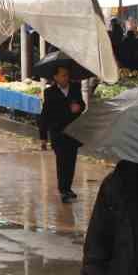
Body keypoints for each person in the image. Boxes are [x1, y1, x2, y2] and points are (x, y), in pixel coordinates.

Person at [39, 66, 85, 203]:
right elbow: (45, 115)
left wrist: (79, 107)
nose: (66, 77)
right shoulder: (50, 92)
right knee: (62, 161)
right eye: (63, 75)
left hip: (73, 132)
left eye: (67, 75)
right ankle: (63, 189)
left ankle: (68, 188)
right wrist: (43, 137)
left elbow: (82, 104)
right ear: (56, 77)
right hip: (58, 132)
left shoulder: (75, 88)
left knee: (71, 161)